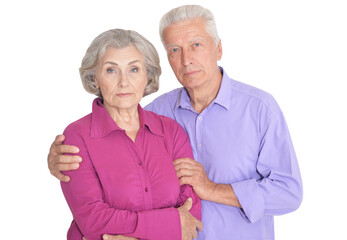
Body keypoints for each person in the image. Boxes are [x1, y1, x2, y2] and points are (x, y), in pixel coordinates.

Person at [48, 5, 303, 240]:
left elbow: (289, 193)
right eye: (174, 49)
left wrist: (212, 189)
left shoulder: (259, 109)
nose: (186, 59)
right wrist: (57, 159)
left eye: (196, 44)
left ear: (219, 49)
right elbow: (110, 136)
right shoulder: (157, 114)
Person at [56, 28, 202, 240]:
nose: (124, 82)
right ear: (94, 78)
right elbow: (92, 221)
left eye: (134, 69)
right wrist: (169, 224)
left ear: (147, 76)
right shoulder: (76, 137)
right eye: (111, 70)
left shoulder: (171, 131)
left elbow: (190, 216)